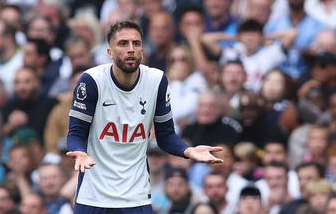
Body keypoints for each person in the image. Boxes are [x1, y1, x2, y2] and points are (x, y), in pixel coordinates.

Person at [66, 21, 224, 213]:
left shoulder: (156, 80)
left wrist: (188, 151)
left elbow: (165, 136)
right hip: (94, 196)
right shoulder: (92, 81)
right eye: (123, 44)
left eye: (136, 43)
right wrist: (79, 151)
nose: (131, 49)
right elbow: (76, 132)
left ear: (143, 50)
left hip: (136, 197)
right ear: (110, 52)